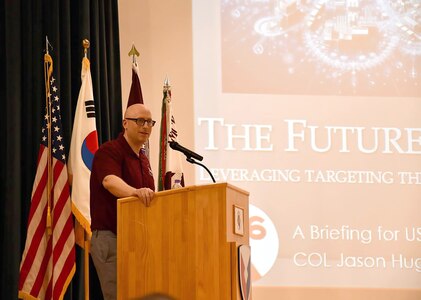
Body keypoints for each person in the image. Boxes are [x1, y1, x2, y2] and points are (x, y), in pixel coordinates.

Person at [90, 103, 156, 300]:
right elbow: (110, 181)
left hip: (139, 241)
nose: (146, 126)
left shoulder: (143, 159)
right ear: (125, 123)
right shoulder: (109, 150)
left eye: (150, 122)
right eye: (140, 121)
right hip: (111, 238)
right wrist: (136, 192)